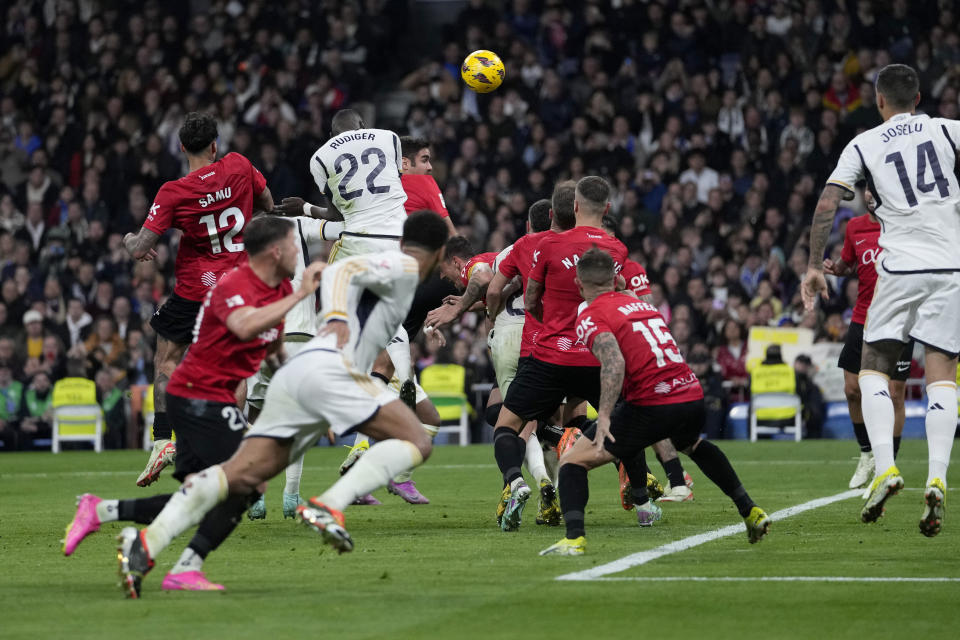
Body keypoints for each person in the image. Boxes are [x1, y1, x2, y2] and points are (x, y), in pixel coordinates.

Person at [111, 211, 448, 598]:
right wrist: (337, 319)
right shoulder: (405, 265)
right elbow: (337, 271)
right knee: (418, 439)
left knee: (239, 477)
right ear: (438, 254)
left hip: (301, 373)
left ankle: (149, 548)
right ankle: (330, 504)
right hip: (333, 370)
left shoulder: (400, 276)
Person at [64, 216, 324, 594]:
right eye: (293, 245)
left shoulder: (278, 287)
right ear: (276, 250)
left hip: (212, 398)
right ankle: (172, 559)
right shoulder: (236, 282)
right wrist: (300, 296)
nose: (300, 253)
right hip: (196, 393)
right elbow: (244, 326)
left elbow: (270, 348)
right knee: (248, 481)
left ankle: (103, 512)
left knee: (203, 494)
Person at [802, 64, 960, 536]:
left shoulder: (865, 142)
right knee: (942, 373)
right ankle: (937, 476)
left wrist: (813, 264)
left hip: (899, 269)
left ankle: (887, 468)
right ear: (918, 97)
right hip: (951, 266)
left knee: (872, 365)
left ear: (878, 100)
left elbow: (829, 200)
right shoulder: (948, 130)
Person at [540, 248, 770, 556]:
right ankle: (750, 510)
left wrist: (604, 415)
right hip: (690, 392)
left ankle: (574, 539)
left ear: (579, 287)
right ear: (616, 279)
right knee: (692, 444)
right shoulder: (639, 302)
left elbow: (614, 362)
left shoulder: (590, 314)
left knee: (573, 461)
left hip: (652, 402)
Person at [277, 110, 439, 505]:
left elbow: (339, 215)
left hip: (355, 247)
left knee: (347, 340)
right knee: (384, 352)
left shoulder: (319, 157)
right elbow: (387, 191)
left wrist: (306, 209)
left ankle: (343, 415)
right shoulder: (388, 137)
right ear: (363, 126)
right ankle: (370, 419)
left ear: (331, 133)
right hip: (399, 249)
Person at [123, 111, 274, 487]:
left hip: (195, 289)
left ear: (180, 147)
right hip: (240, 285)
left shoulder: (174, 192)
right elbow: (267, 204)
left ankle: (162, 441)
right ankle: (232, 450)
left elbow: (142, 245)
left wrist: (130, 243)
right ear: (214, 144)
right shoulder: (239, 165)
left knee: (167, 359)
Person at [490, 176, 636, 531]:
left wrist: (542, 323)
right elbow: (620, 297)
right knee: (625, 424)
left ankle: (516, 481)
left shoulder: (540, 244)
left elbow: (522, 295)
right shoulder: (615, 249)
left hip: (547, 353)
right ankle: (644, 501)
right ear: (605, 209)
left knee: (507, 427)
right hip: (593, 354)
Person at [245, 213, 340, 520]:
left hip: (262, 335)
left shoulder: (241, 228)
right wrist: (315, 208)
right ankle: (291, 494)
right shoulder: (297, 222)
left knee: (257, 418)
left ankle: (256, 495)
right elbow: (340, 227)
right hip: (300, 336)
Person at [823, 188, 913, 488]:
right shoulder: (855, 226)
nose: (871, 194)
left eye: (876, 189)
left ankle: (889, 465)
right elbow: (849, 263)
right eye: (867, 189)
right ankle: (866, 455)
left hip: (899, 319)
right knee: (852, 389)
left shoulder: (903, 223)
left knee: (895, 393)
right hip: (863, 317)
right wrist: (838, 269)